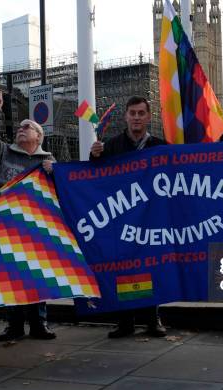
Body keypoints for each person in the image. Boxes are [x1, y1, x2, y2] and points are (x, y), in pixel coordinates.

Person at [90, 96, 167, 338]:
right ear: (126, 116)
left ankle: (152, 319)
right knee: (125, 268)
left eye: (140, 113)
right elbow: (95, 177)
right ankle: (126, 321)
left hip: (151, 217)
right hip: (122, 218)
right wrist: (95, 157)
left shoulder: (160, 146)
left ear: (148, 117)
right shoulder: (111, 146)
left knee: (151, 267)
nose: (136, 117)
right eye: (132, 113)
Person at [0, 92, 56, 342]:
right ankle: (13, 325)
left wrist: (54, 172)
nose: (22, 129)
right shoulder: (3, 152)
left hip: (36, 227)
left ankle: (39, 323)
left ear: (39, 136)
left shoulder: (48, 160)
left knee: (37, 274)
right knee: (11, 275)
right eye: (20, 127)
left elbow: (61, 190)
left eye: (28, 127)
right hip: (8, 224)